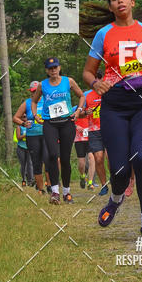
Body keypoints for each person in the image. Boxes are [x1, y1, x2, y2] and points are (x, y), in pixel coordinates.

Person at [81, 0, 142, 239]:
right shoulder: (104, 34)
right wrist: (96, 83)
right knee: (119, 170)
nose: (120, 2)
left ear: (132, 2)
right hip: (114, 105)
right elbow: (88, 72)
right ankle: (116, 199)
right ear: (110, 7)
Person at [31, 58, 84, 204]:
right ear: (47, 70)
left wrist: (78, 111)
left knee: (65, 158)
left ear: (59, 68)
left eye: (55, 67)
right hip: (50, 124)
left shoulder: (69, 81)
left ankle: (66, 192)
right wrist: (35, 115)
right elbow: (34, 101)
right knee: (53, 155)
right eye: (50, 68)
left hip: (67, 123)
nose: (53, 70)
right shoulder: (42, 85)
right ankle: (55, 192)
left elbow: (81, 96)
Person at [13, 81, 47, 194]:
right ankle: (41, 189)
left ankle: (51, 185)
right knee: (36, 162)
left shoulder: (47, 100)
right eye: (33, 91)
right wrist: (23, 123)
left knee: (48, 159)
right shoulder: (27, 103)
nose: (35, 93)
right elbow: (15, 118)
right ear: (30, 92)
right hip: (32, 136)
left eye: (37, 91)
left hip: (46, 134)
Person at [80, 73, 109, 195]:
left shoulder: (108, 92)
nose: (97, 81)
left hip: (109, 129)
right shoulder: (86, 95)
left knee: (111, 158)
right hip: (94, 131)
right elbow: (80, 113)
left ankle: (117, 182)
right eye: (94, 79)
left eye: (99, 78)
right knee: (98, 158)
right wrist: (86, 112)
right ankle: (104, 185)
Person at [74, 105, 91, 190]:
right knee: (81, 163)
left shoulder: (90, 109)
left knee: (91, 159)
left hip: (91, 138)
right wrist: (76, 126)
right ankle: (82, 176)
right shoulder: (75, 110)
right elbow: (69, 121)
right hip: (79, 139)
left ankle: (90, 182)